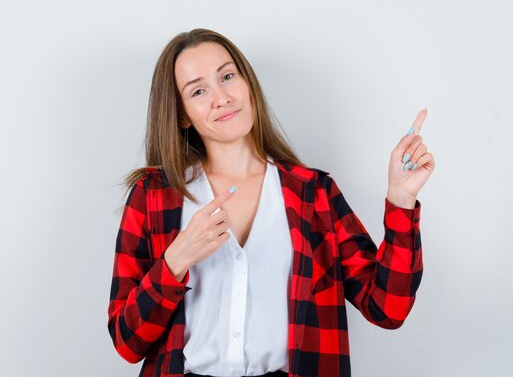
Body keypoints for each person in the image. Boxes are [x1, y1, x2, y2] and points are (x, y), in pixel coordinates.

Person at [106, 28, 435, 377]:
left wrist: (401, 198)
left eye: (228, 76)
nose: (222, 98)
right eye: (199, 90)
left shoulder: (314, 194)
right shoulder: (153, 196)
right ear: (182, 114)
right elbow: (128, 344)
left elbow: (387, 308)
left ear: (247, 83)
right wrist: (177, 259)